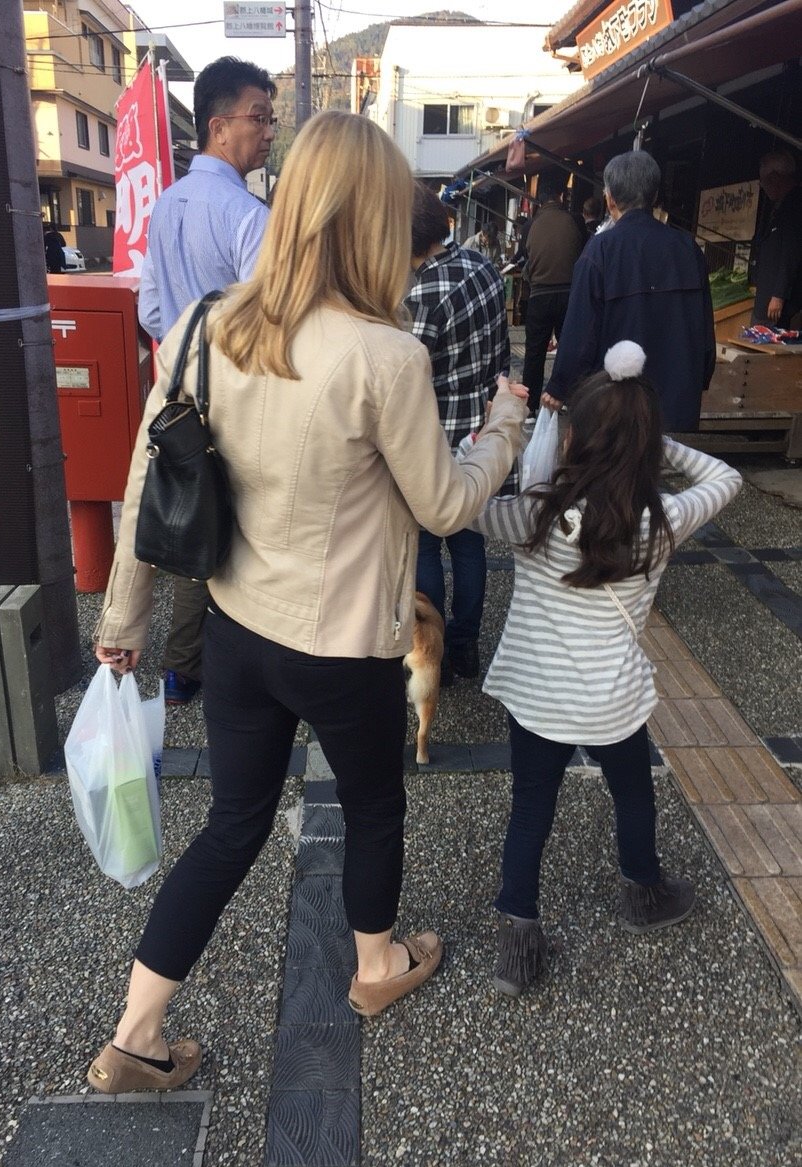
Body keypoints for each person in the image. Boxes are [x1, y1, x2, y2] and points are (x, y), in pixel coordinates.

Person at [86, 111, 526, 1093]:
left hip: (237, 628)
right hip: (342, 643)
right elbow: (445, 506)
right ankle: (375, 966)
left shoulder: (207, 324)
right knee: (372, 804)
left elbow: (145, 484)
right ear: (372, 219)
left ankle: (136, 1033)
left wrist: (122, 625)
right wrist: (503, 427)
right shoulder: (383, 355)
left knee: (232, 825)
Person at [466, 341, 741, 996]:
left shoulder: (534, 515)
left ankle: (518, 944)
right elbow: (726, 477)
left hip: (538, 698)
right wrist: (647, 441)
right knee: (634, 791)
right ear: (645, 448)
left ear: (571, 440)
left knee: (531, 807)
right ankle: (644, 892)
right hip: (613, 700)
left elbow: (460, 501)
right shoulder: (663, 520)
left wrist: (489, 436)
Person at [139, 56, 278, 705]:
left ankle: (180, 667)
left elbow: (149, 310)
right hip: (240, 400)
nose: (269, 131)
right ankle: (226, 666)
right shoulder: (248, 215)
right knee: (239, 526)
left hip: (176, 397)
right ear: (219, 126)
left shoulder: (164, 207)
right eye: (259, 117)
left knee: (189, 515)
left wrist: (182, 345)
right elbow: (267, 324)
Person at [405, 182, 517, 683]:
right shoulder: (484, 267)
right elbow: (502, 349)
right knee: (471, 545)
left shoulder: (422, 295)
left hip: (437, 437)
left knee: (427, 545)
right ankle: (466, 646)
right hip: (481, 429)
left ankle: (436, 649)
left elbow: (405, 377)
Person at [541, 151, 716, 432]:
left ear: (610, 199)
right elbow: (705, 332)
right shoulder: (688, 249)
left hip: (617, 410)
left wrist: (560, 385)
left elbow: (580, 331)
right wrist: (698, 380)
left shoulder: (600, 250)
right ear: (654, 195)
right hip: (678, 407)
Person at [520, 172, 584, 414]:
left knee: (534, 354)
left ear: (540, 199)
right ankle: (567, 400)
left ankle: (530, 408)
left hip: (538, 295)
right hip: (569, 296)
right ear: (561, 196)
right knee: (569, 351)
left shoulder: (530, 225)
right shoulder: (575, 220)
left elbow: (525, 256)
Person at [752, 150, 802, 328]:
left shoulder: (795, 206)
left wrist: (779, 295)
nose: (763, 187)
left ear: (775, 177)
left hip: (778, 303)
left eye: (763, 181)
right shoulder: (779, 206)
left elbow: (791, 252)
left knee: (769, 340)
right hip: (767, 297)